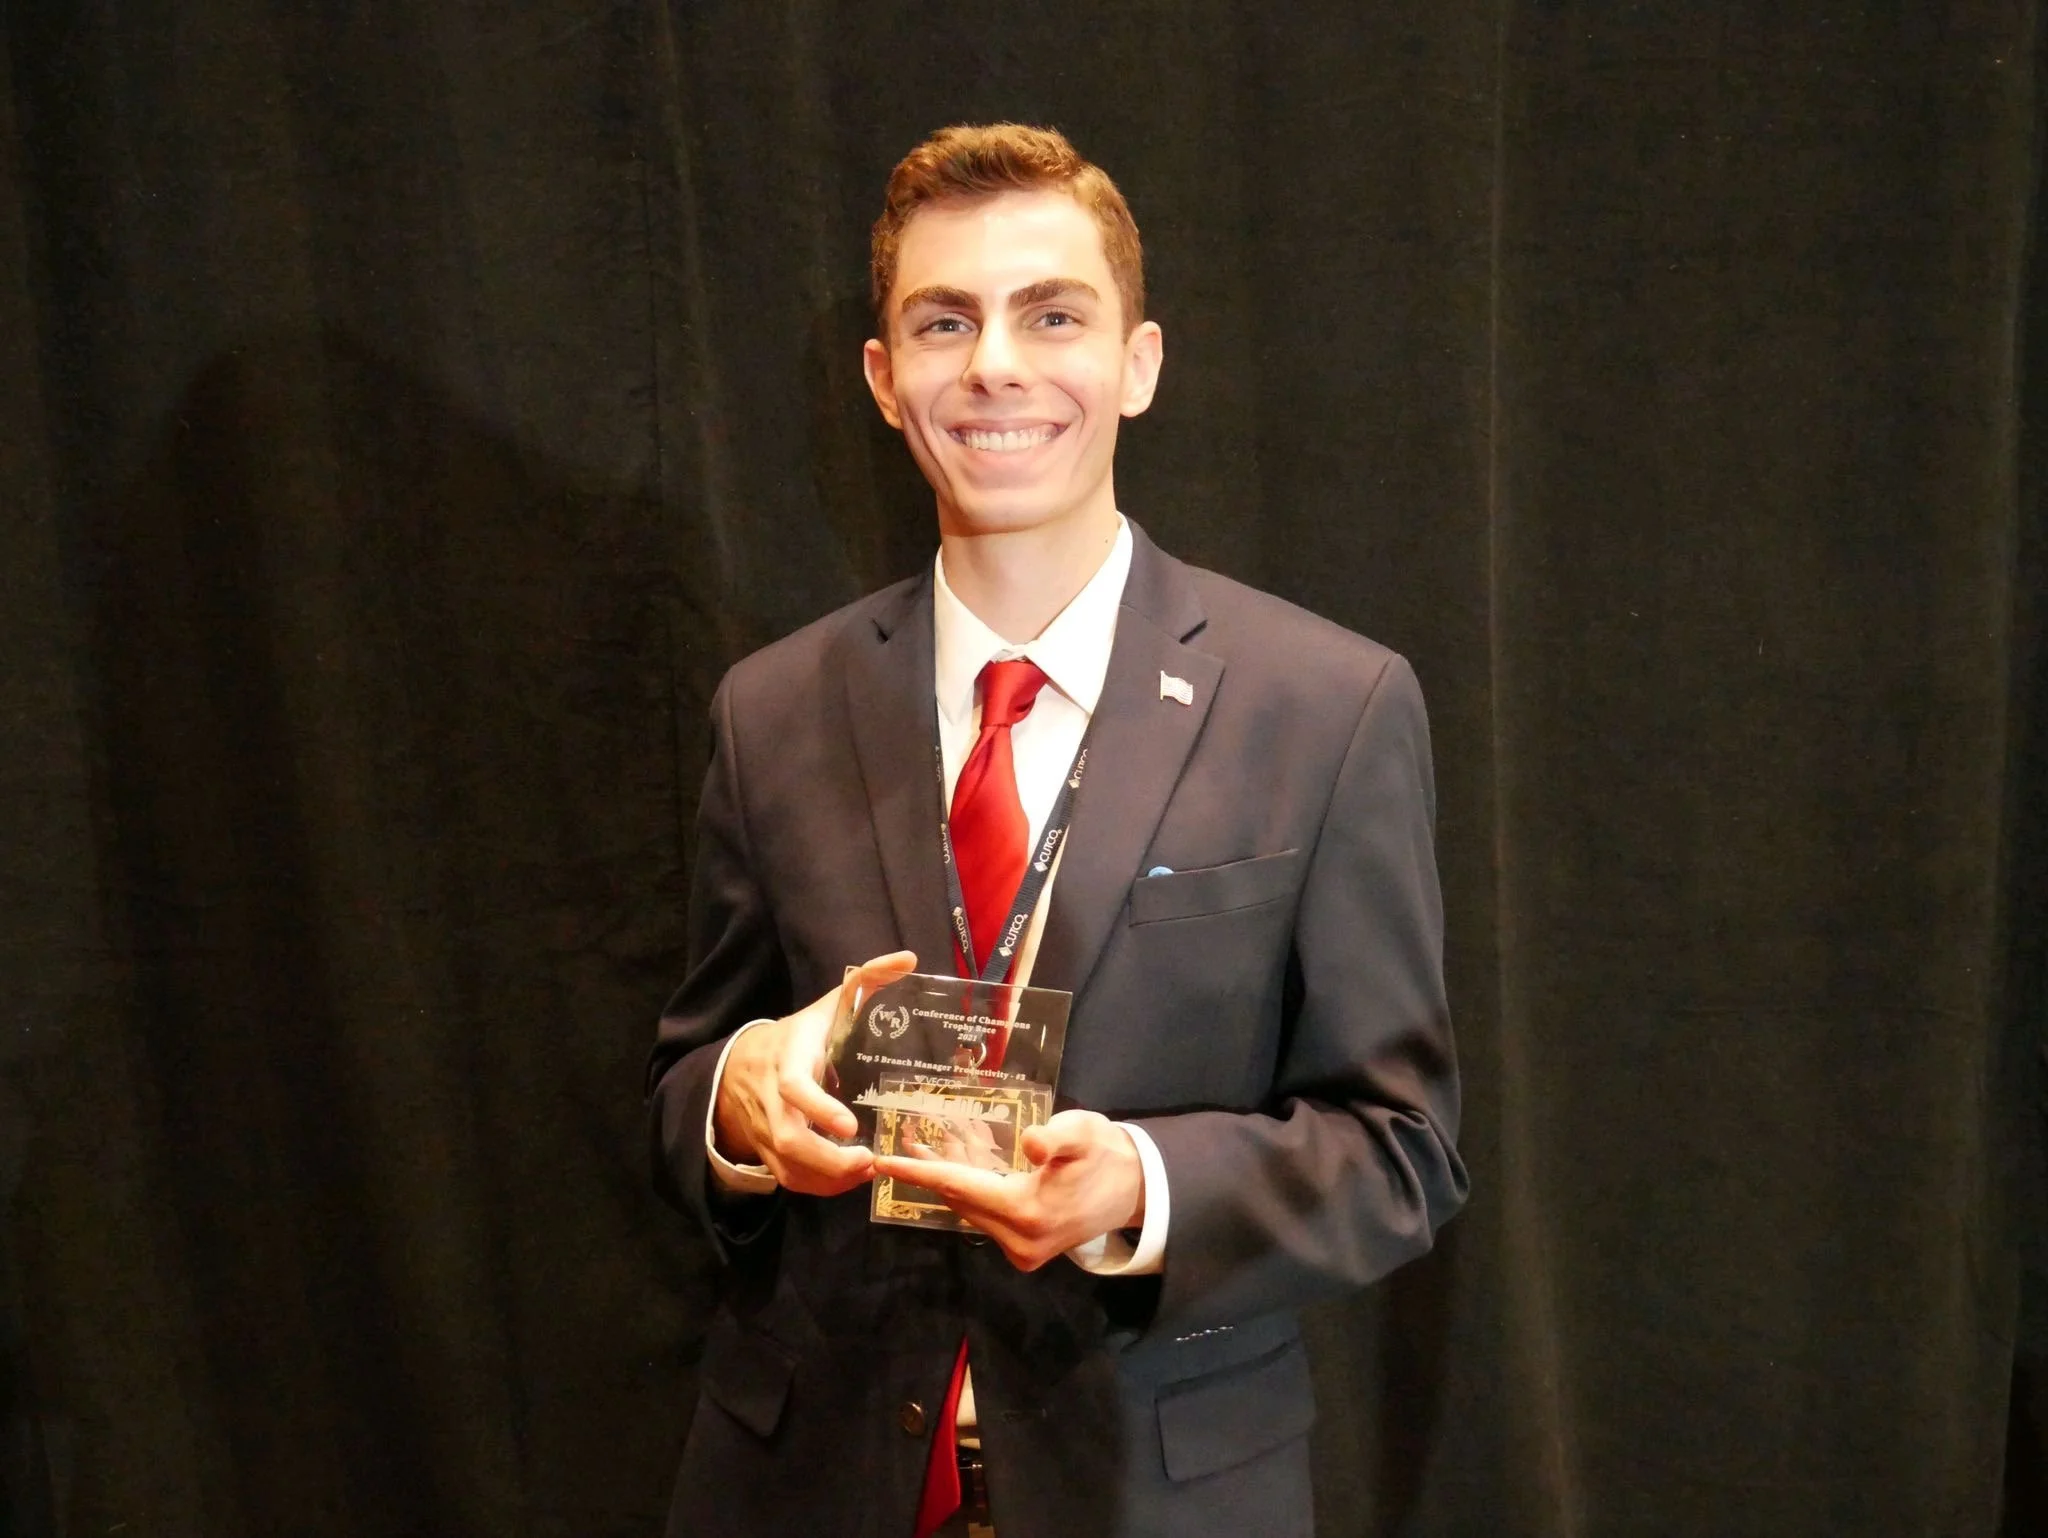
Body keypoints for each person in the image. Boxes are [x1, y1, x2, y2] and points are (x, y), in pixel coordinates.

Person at [646, 121, 1467, 1538]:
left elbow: (1403, 1148)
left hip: (1156, 1486)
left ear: (1138, 363)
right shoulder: (769, 709)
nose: (996, 366)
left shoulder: (1327, 706)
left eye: (1053, 314)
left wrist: (1141, 1190)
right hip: (806, 1480)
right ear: (885, 381)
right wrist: (738, 1098)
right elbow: (677, 1091)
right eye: (943, 321)